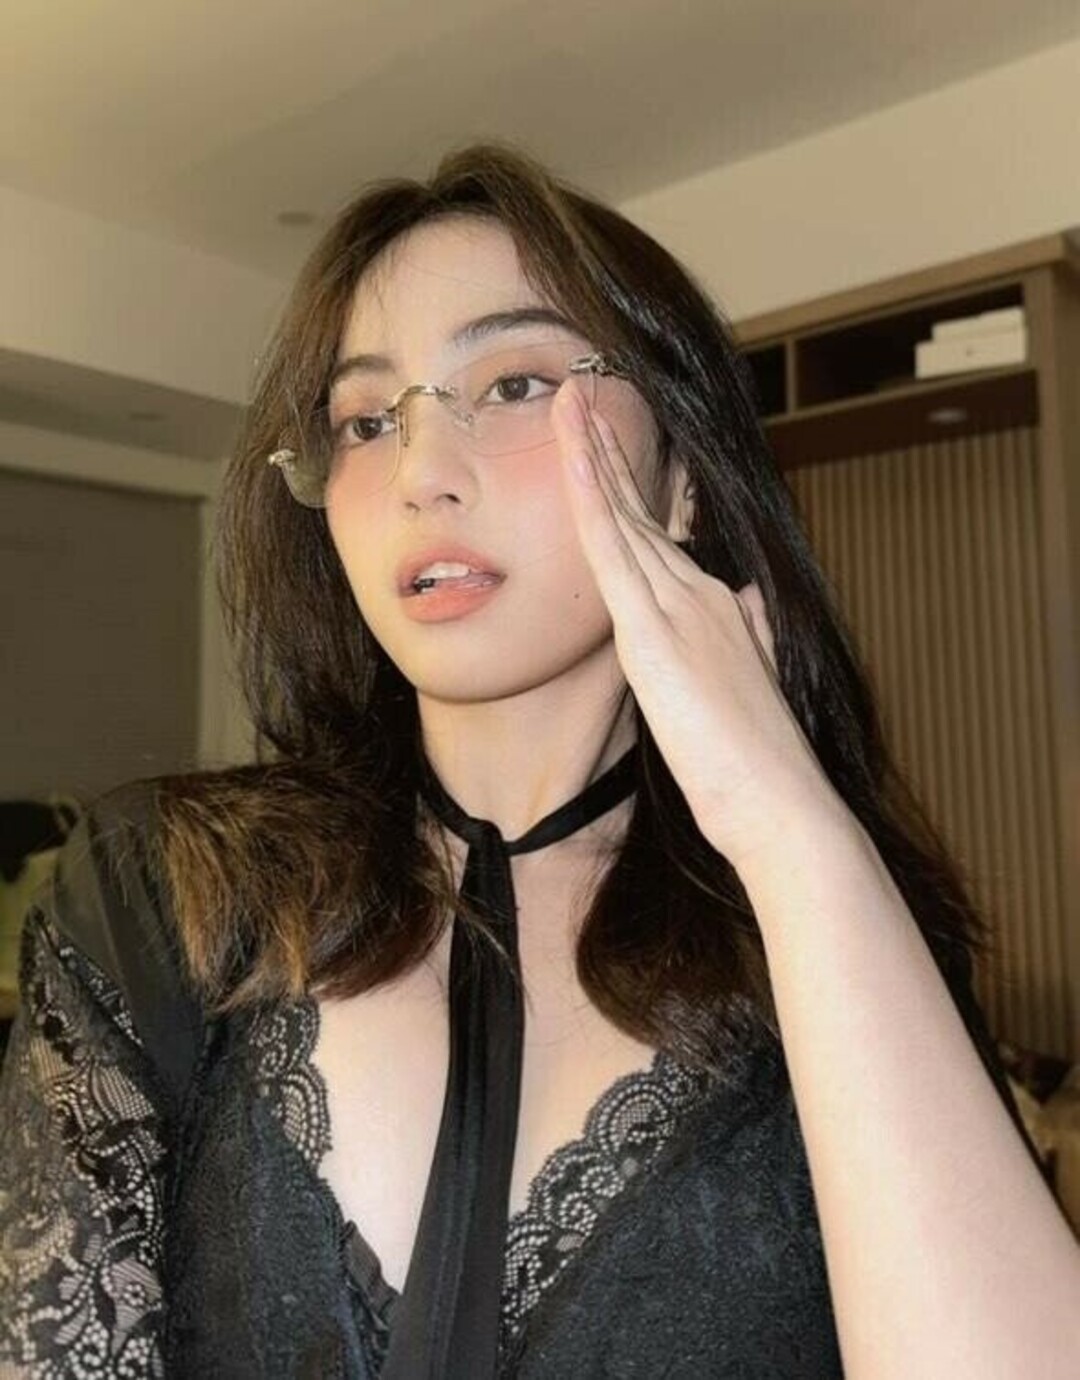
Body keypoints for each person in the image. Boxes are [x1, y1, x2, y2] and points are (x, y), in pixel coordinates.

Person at [1, 143, 1077, 1380]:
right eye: (365, 421)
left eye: (513, 383)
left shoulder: (837, 929)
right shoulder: (154, 894)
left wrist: (790, 833)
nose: (419, 475)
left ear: (682, 475)